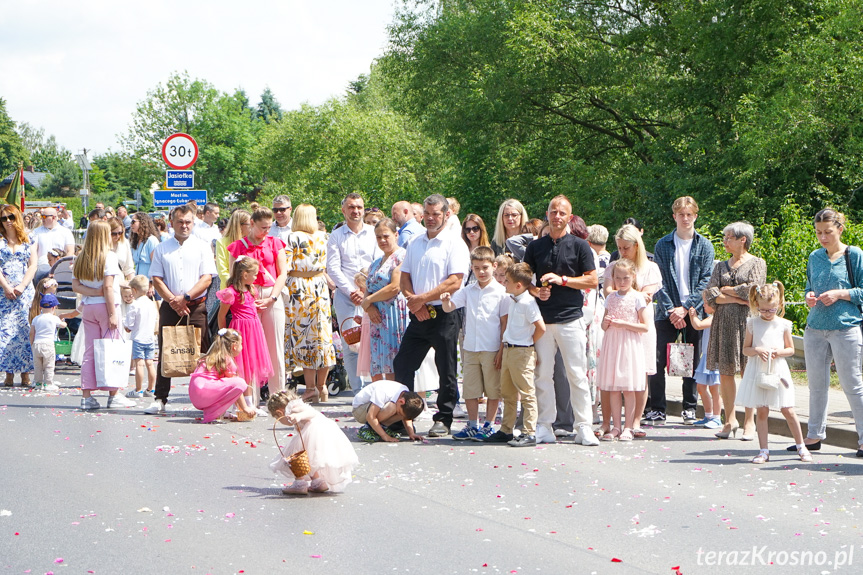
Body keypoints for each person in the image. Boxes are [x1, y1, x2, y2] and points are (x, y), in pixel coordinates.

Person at [523, 195, 599, 446]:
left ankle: (584, 427)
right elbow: (523, 279)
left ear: (570, 216)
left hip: (570, 318)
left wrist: (564, 280)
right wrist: (536, 291)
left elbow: (591, 280)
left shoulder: (580, 245)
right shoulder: (535, 247)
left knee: (576, 374)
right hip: (543, 321)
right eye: (553, 212)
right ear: (547, 214)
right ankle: (545, 425)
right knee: (542, 374)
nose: (557, 216)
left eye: (562, 213)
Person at [393, 194, 470, 437]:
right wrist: (415, 303)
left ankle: (443, 418)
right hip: (418, 314)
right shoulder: (415, 242)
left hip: (445, 313)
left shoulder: (454, 243)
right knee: (403, 364)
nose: (430, 218)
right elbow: (404, 277)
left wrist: (422, 299)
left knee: (446, 368)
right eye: (427, 213)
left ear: (447, 215)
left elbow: (455, 281)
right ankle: (405, 416)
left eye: (436, 213)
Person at [796, 208, 863, 456]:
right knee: (816, 386)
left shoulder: (854, 255)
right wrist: (808, 297)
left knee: (852, 385)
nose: (822, 237)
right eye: (818, 232)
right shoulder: (815, 256)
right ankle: (813, 436)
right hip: (815, 329)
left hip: (845, 328)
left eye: (827, 232)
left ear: (840, 229)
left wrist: (841, 294)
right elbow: (808, 286)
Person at [648, 196, 715, 426]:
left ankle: (689, 406)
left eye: (689, 214)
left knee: (692, 359)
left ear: (695, 216)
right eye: (681, 214)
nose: (685, 219)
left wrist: (686, 308)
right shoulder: (662, 244)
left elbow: (706, 280)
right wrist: (671, 310)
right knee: (657, 360)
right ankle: (657, 407)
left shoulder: (704, 245)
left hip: (694, 312)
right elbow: (658, 280)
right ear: (674, 216)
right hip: (667, 311)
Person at [146, 205, 216, 414]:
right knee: (167, 350)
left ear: (193, 222)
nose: (184, 226)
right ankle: (160, 398)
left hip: (195, 306)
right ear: (172, 223)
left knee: (204, 352)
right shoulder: (162, 248)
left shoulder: (202, 246)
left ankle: (209, 397)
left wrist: (185, 297)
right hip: (170, 307)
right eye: (180, 222)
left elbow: (207, 278)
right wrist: (173, 300)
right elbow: (156, 278)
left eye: (188, 222)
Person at [736, 282, 811, 464]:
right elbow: (745, 349)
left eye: (772, 310)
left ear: (779, 305)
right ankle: (763, 450)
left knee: (788, 409)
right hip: (759, 370)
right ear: (756, 305)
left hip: (778, 370)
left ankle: (801, 446)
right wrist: (757, 349)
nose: (768, 314)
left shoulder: (783, 324)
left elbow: (791, 349)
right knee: (761, 410)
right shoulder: (752, 323)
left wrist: (778, 352)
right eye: (763, 310)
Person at [703, 221, 765, 439]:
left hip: (746, 324)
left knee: (748, 371)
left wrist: (727, 291)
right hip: (723, 324)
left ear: (743, 240)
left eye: (729, 237)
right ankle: (730, 419)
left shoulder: (757, 263)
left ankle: (750, 421)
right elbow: (710, 293)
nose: (725, 241)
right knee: (726, 373)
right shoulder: (720, 265)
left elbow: (753, 291)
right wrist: (735, 297)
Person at [599, 225, 662, 438]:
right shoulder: (614, 266)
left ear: (637, 246)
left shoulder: (650, 267)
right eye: (619, 247)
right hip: (616, 326)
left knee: (640, 371)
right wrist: (619, 291)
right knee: (614, 374)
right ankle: (611, 423)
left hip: (638, 324)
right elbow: (608, 290)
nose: (622, 251)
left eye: (626, 247)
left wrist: (630, 292)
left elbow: (647, 294)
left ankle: (635, 421)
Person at [441, 246, 509, 441]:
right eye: (477, 268)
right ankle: (472, 424)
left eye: (485, 267)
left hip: (491, 347)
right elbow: (450, 308)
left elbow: (504, 323)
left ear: (494, 266)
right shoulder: (468, 290)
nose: (481, 272)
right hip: (470, 346)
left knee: (492, 389)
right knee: (470, 389)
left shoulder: (501, 292)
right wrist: (446, 301)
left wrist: (501, 349)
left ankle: (488, 424)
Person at [72, 221, 133, 409]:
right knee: (111, 347)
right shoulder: (109, 257)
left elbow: (76, 286)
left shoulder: (82, 257)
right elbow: (108, 287)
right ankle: (113, 394)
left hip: (88, 308)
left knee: (90, 350)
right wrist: (113, 313)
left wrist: (92, 292)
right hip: (106, 306)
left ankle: (86, 395)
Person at [483, 262, 546, 445]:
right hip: (509, 350)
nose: (504, 283)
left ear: (519, 285)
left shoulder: (528, 302)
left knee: (526, 392)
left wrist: (528, 343)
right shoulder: (512, 299)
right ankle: (506, 429)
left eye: (508, 280)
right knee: (508, 393)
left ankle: (529, 432)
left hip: (521, 351)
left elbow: (540, 328)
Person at [227, 207, 288, 396]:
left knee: (275, 347)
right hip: (247, 297)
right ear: (251, 224)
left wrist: (273, 297)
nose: (266, 232)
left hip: (271, 294)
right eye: (263, 227)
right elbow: (232, 276)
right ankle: (249, 397)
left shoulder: (275, 243)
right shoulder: (238, 246)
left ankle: (278, 395)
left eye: (269, 227)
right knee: (248, 349)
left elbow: (283, 273)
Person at [327, 193, 380, 393]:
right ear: (344, 210)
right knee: (351, 344)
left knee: (374, 340)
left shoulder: (373, 232)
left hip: (372, 295)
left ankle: (375, 388)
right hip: (346, 297)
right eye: (351, 207)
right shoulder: (336, 236)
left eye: (359, 207)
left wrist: (366, 290)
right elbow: (333, 268)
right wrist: (351, 291)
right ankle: (359, 391)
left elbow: (378, 261)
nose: (355, 211)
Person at [285, 204, 336, 402]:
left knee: (305, 337)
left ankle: (310, 388)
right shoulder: (324, 237)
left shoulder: (293, 237)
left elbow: (287, 265)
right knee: (322, 337)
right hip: (319, 286)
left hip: (299, 287)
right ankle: (322, 387)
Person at [268, 389, 359, 495]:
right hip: (324, 430)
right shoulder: (294, 406)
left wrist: (298, 416)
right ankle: (317, 482)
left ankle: (300, 484)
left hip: (316, 431)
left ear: (279, 413)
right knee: (310, 458)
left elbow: (311, 413)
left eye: (277, 417)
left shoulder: (294, 408)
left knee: (295, 454)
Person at [596, 259, 649, 442]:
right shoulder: (610, 297)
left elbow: (645, 326)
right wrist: (607, 322)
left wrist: (624, 324)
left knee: (628, 387)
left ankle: (628, 426)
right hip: (613, 343)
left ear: (633, 277)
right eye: (618, 278)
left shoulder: (637, 297)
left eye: (626, 277)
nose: (622, 281)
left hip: (629, 343)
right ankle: (615, 426)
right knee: (613, 387)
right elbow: (603, 325)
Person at [217, 256, 274, 409]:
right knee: (240, 367)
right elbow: (221, 315)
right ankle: (239, 404)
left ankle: (248, 403)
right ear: (244, 274)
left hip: (253, 329)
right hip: (240, 330)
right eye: (254, 274)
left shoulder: (251, 290)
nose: (256, 277)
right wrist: (225, 334)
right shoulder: (230, 292)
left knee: (250, 367)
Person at [362, 219, 409, 381]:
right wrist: (368, 306)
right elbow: (368, 284)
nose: (382, 240)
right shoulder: (376, 262)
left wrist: (368, 301)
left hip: (394, 314)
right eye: (378, 237)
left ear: (396, 235)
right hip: (377, 316)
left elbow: (395, 287)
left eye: (386, 236)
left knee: (393, 359)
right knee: (380, 360)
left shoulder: (402, 256)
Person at [0, 205, 37, 387]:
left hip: (24, 290)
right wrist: (6, 286)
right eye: (4, 218)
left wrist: (22, 286)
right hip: (4, 291)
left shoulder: (28, 240)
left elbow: (33, 265)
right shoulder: (0, 241)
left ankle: (25, 373)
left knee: (24, 330)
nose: (8, 221)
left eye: (11, 217)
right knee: (6, 330)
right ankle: (8, 373)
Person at [189, 328, 257, 423]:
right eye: (241, 344)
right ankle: (213, 412)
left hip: (195, 396)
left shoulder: (212, 356)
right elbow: (236, 386)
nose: (242, 347)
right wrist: (245, 408)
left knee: (226, 385)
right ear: (234, 346)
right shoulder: (227, 359)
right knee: (240, 382)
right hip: (205, 394)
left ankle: (216, 411)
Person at [352, 380, 425, 442]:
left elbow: (406, 417)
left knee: (399, 411)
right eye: (400, 413)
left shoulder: (405, 394)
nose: (400, 416)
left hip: (372, 410)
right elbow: (370, 416)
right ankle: (368, 428)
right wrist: (385, 436)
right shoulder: (384, 391)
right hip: (359, 410)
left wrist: (411, 434)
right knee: (392, 407)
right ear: (401, 401)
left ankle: (378, 428)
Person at [123, 275, 157, 399]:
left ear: (135, 290)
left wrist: (125, 325)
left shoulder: (134, 305)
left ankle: (138, 390)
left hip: (138, 337)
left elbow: (129, 325)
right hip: (150, 338)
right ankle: (151, 388)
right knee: (150, 363)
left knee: (139, 364)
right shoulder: (151, 303)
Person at [689, 302, 722, 428]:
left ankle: (717, 417)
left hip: (714, 357)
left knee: (714, 389)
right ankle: (708, 415)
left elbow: (698, 325)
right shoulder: (710, 317)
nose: (704, 305)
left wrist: (693, 315)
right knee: (701, 387)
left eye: (707, 303)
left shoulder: (715, 318)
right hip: (706, 356)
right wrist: (694, 317)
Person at [29, 294, 66, 392]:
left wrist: (32, 344)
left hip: (37, 344)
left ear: (40, 307)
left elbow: (32, 333)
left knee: (38, 366)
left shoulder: (36, 318)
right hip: (48, 344)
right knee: (49, 365)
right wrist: (63, 321)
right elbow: (62, 326)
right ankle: (48, 383)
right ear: (54, 307)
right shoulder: (53, 318)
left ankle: (38, 383)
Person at [31, 206, 75, 282]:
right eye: (41, 216)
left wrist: (62, 267)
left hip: (60, 269)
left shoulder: (66, 232)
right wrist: (33, 266)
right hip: (41, 269)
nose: (42, 219)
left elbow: (70, 251)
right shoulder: (36, 232)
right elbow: (33, 250)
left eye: (44, 216)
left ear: (54, 217)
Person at [129, 213, 160, 295]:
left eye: (133, 222)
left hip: (148, 283)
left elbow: (155, 265)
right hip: (138, 283)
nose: (131, 224)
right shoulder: (135, 241)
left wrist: (151, 284)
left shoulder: (151, 240)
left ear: (142, 223)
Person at [108, 217, 135, 284]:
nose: (117, 236)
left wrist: (133, 285)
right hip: (106, 284)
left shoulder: (124, 243)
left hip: (120, 283)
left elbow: (129, 268)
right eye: (114, 233)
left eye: (120, 233)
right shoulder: (102, 245)